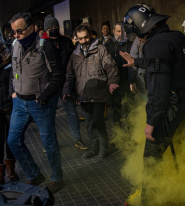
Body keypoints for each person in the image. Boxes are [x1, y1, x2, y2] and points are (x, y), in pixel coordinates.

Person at [120, 3, 185, 205]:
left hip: (168, 108)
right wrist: (137, 62)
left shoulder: (155, 45)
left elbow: (159, 90)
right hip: (183, 102)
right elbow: (166, 64)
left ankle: (150, 201)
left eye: (134, 31)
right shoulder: (177, 37)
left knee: (151, 160)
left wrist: (151, 122)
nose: (136, 36)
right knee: (183, 148)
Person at [8, 12, 64, 193]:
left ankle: (57, 178)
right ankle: (34, 173)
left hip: (40, 103)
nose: (16, 35)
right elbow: (13, 69)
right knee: (13, 141)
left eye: (19, 31)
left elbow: (58, 75)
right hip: (19, 103)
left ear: (32, 27)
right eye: (13, 32)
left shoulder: (44, 46)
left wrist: (45, 96)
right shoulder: (15, 45)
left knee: (49, 143)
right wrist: (13, 91)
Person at [62, 24, 119, 159]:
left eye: (86, 37)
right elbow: (70, 75)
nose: (83, 41)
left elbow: (111, 67)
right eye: (80, 39)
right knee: (89, 124)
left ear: (90, 36)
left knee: (98, 121)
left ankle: (104, 147)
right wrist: (66, 90)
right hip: (83, 95)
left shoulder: (100, 50)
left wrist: (112, 82)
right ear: (76, 39)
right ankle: (94, 148)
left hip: (98, 94)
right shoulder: (75, 55)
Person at [43, 14, 87, 150]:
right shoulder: (43, 44)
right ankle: (51, 143)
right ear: (46, 30)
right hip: (51, 85)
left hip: (66, 84)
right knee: (50, 116)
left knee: (72, 112)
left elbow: (74, 62)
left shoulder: (67, 42)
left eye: (56, 27)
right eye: (51, 28)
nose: (54, 29)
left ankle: (77, 139)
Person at [105, 22, 133, 126]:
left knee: (130, 108)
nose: (120, 34)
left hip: (127, 81)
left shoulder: (130, 45)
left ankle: (132, 134)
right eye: (118, 31)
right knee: (116, 108)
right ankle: (118, 133)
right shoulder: (108, 45)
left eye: (122, 31)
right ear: (113, 31)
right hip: (114, 82)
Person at [0, 38, 19, 184]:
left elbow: (15, 80)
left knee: (10, 140)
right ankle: (0, 171)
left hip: (10, 105)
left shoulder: (9, 59)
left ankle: (10, 169)